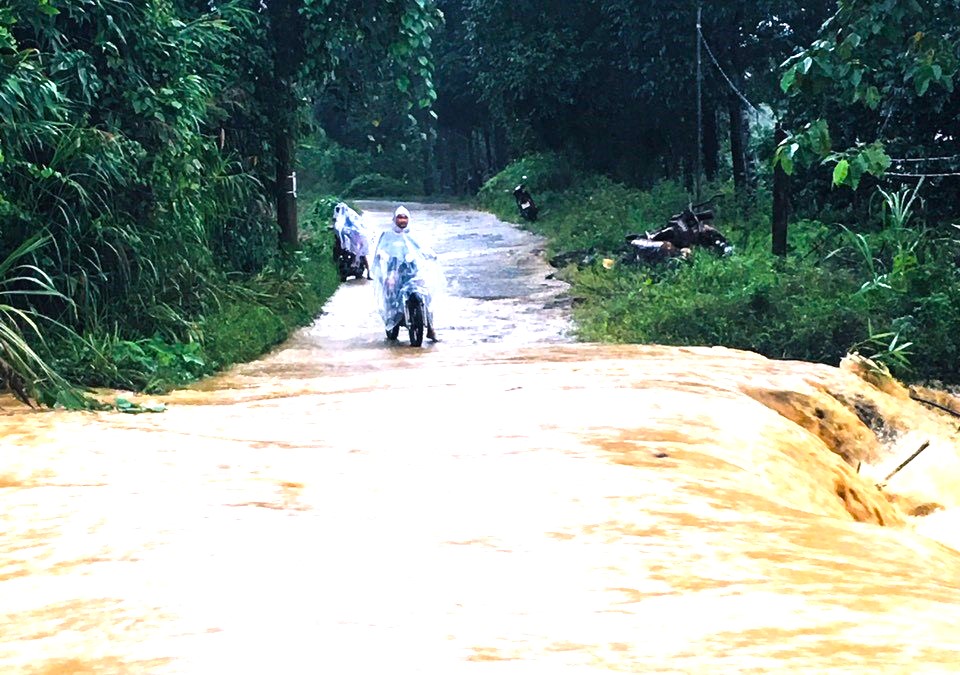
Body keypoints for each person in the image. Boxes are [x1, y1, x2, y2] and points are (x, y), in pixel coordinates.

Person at [372, 205, 438, 341]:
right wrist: (382, 255)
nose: (402, 220)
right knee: (390, 286)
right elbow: (381, 248)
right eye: (400, 217)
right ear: (394, 219)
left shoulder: (414, 235)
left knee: (426, 291)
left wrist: (431, 254)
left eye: (405, 217)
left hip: (412, 269)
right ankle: (392, 315)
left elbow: (422, 248)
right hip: (394, 269)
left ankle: (431, 328)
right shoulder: (387, 235)